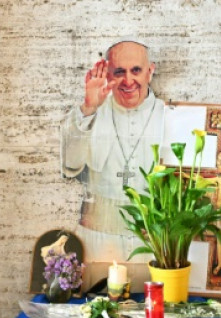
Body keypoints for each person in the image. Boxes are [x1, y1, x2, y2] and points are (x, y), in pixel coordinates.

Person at [61, 38, 165, 263]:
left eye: (136, 70)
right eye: (119, 72)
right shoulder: (90, 112)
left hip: (152, 245)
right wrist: (89, 107)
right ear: (108, 75)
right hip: (96, 242)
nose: (128, 80)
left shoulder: (169, 115)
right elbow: (69, 166)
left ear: (150, 72)